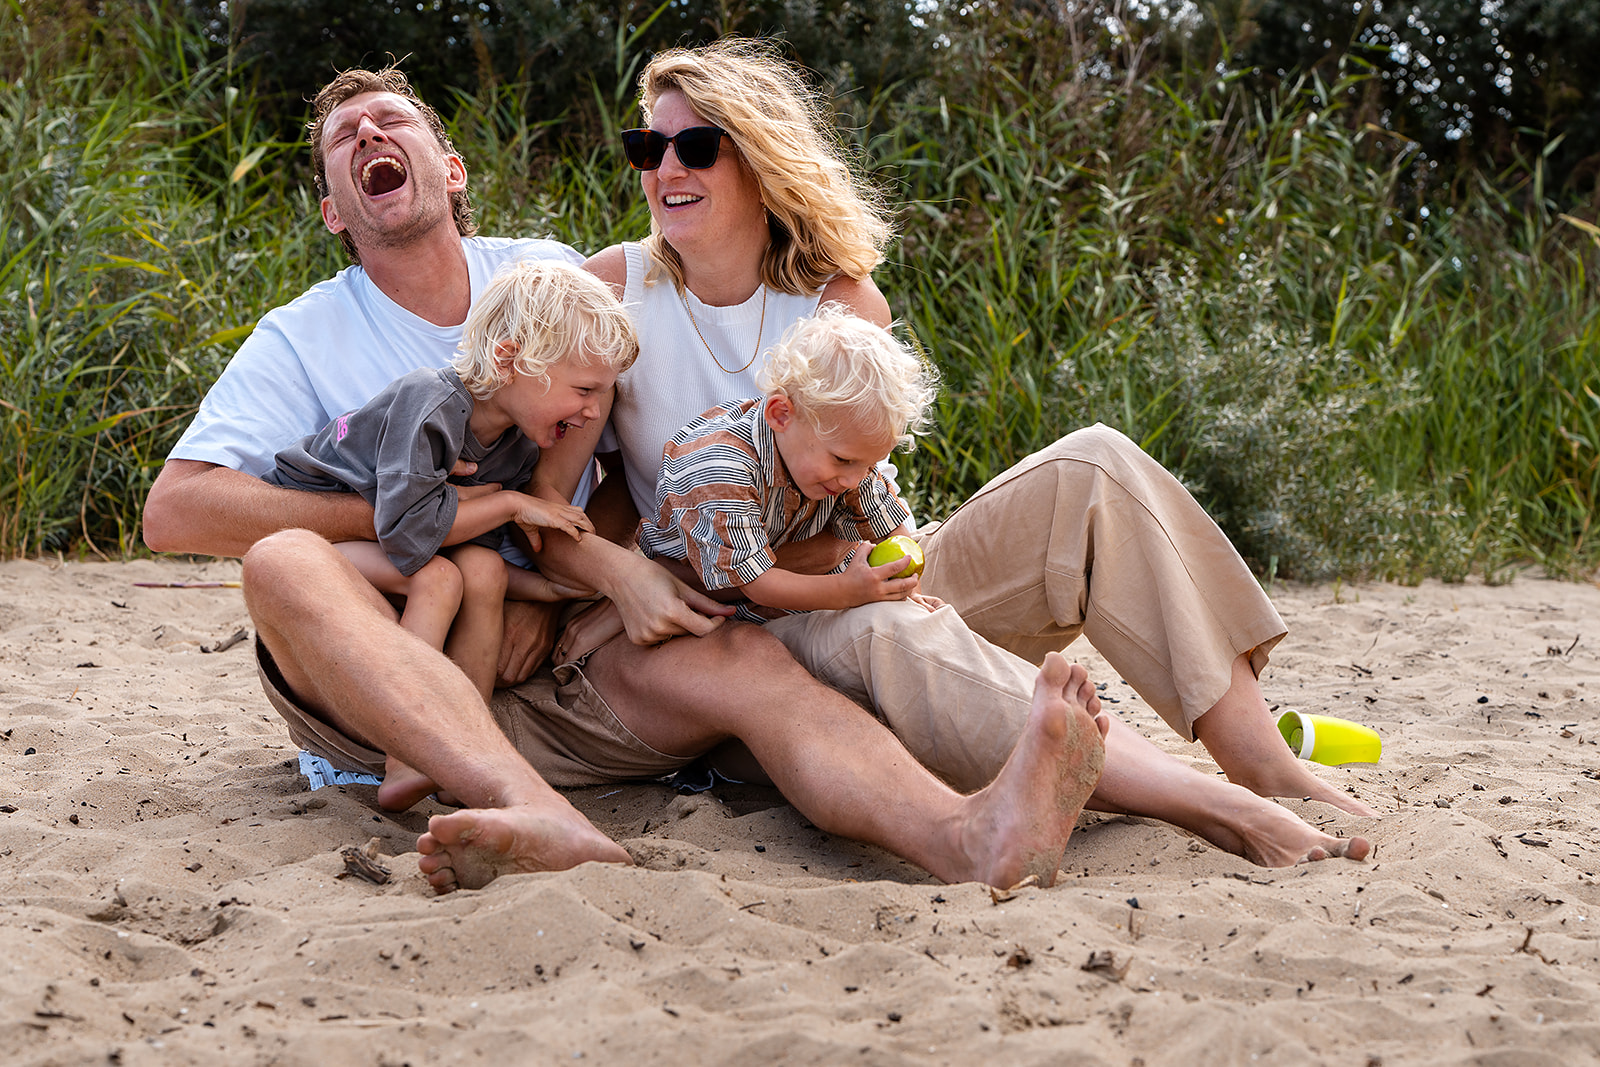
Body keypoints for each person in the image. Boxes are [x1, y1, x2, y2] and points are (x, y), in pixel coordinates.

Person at [142, 63, 1113, 894]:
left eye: (391, 119)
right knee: (284, 561)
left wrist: (605, 577)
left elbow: (617, 461)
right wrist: (433, 515)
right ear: (331, 209)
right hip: (381, 673)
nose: (366, 133)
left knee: (746, 660)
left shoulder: (553, 278)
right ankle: (525, 805)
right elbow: (176, 509)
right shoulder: (303, 335)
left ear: (451, 167)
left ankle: (965, 837)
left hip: (559, 659)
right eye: (342, 138)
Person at [554, 38, 1372, 856]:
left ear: (761, 159)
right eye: (647, 147)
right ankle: (1191, 799)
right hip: (742, 637)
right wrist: (625, 576)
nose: (666, 168)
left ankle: (1259, 761)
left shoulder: (841, 300)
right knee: (882, 627)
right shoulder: (614, 290)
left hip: (847, 577)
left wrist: (874, 564)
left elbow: (857, 514)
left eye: (696, 146)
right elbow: (571, 502)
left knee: (1095, 463)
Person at [263, 259, 634, 805]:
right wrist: (511, 502)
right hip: (318, 540)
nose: (592, 412)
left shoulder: (516, 442)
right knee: (439, 580)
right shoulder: (429, 404)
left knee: (483, 570)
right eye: (584, 389)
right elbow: (409, 534)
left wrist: (549, 589)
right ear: (508, 360)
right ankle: (409, 752)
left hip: (386, 539)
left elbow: (470, 542)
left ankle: (472, 750)